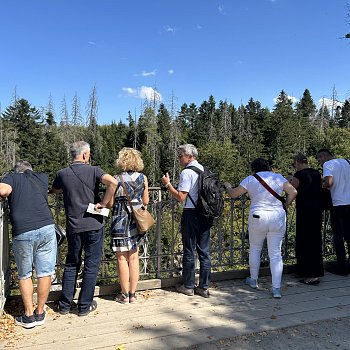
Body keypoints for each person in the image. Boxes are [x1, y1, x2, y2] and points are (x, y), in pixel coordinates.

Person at [51, 141, 118, 316]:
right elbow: (113, 183)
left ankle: (65, 304)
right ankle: (84, 306)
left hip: (74, 226)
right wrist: (103, 203)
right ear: (85, 155)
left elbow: (55, 189)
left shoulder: (62, 174)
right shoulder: (94, 171)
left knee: (72, 264)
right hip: (94, 224)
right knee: (91, 265)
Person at [224, 158, 297, 298]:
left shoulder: (251, 179)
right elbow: (293, 192)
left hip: (258, 216)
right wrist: (285, 205)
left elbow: (233, 194)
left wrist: (227, 186)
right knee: (275, 253)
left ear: (254, 169)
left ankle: (253, 280)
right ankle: (276, 289)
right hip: (277, 216)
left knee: (255, 248)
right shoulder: (277, 177)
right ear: (268, 167)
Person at [0, 161, 56, 329]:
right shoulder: (41, 178)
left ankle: (29, 315)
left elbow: (3, 190)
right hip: (46, 227)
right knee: (45, 272)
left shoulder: (13, 177)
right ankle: (40, 312)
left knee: (25, 274)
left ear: (16, 172)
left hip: (23, 231)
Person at [161, 144, 213, 298]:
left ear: (190, 156)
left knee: (189, 251)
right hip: (206, 213)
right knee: (204, 252)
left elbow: (181, 197)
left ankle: (189, 286)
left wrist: (168, 184)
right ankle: (203, 287)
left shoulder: (187, 172)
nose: (179, 159)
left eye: (181, 156)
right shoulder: (204, 170)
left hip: (191, 213)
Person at [105, 147, 149, 303]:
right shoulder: (143, 178)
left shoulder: (115, 179)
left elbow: (110, 203)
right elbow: (146, 201)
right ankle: (133, 294)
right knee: (134, 257)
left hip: (119, 220)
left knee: (122, 259)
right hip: (135, 221)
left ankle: (123, 294)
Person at [290, 153, 324, 285]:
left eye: (294, 164)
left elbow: (292, 188)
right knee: (315, 240)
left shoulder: (299, 175)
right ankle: (315, 271)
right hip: (316, 210)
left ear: (297, 162)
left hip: (305, 211)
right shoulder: (316, 173)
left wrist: (289, 179)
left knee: (305, 241)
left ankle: (309, 274)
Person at [316, 149, 350, 276]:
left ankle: (342, 267)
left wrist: (321, 183)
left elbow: (329, 183)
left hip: (338, 204)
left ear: (324, 156)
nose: (319, 162)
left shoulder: (328, 164)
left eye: (319, 159)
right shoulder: (347, 161)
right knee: (349, 236)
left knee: (338, 237)